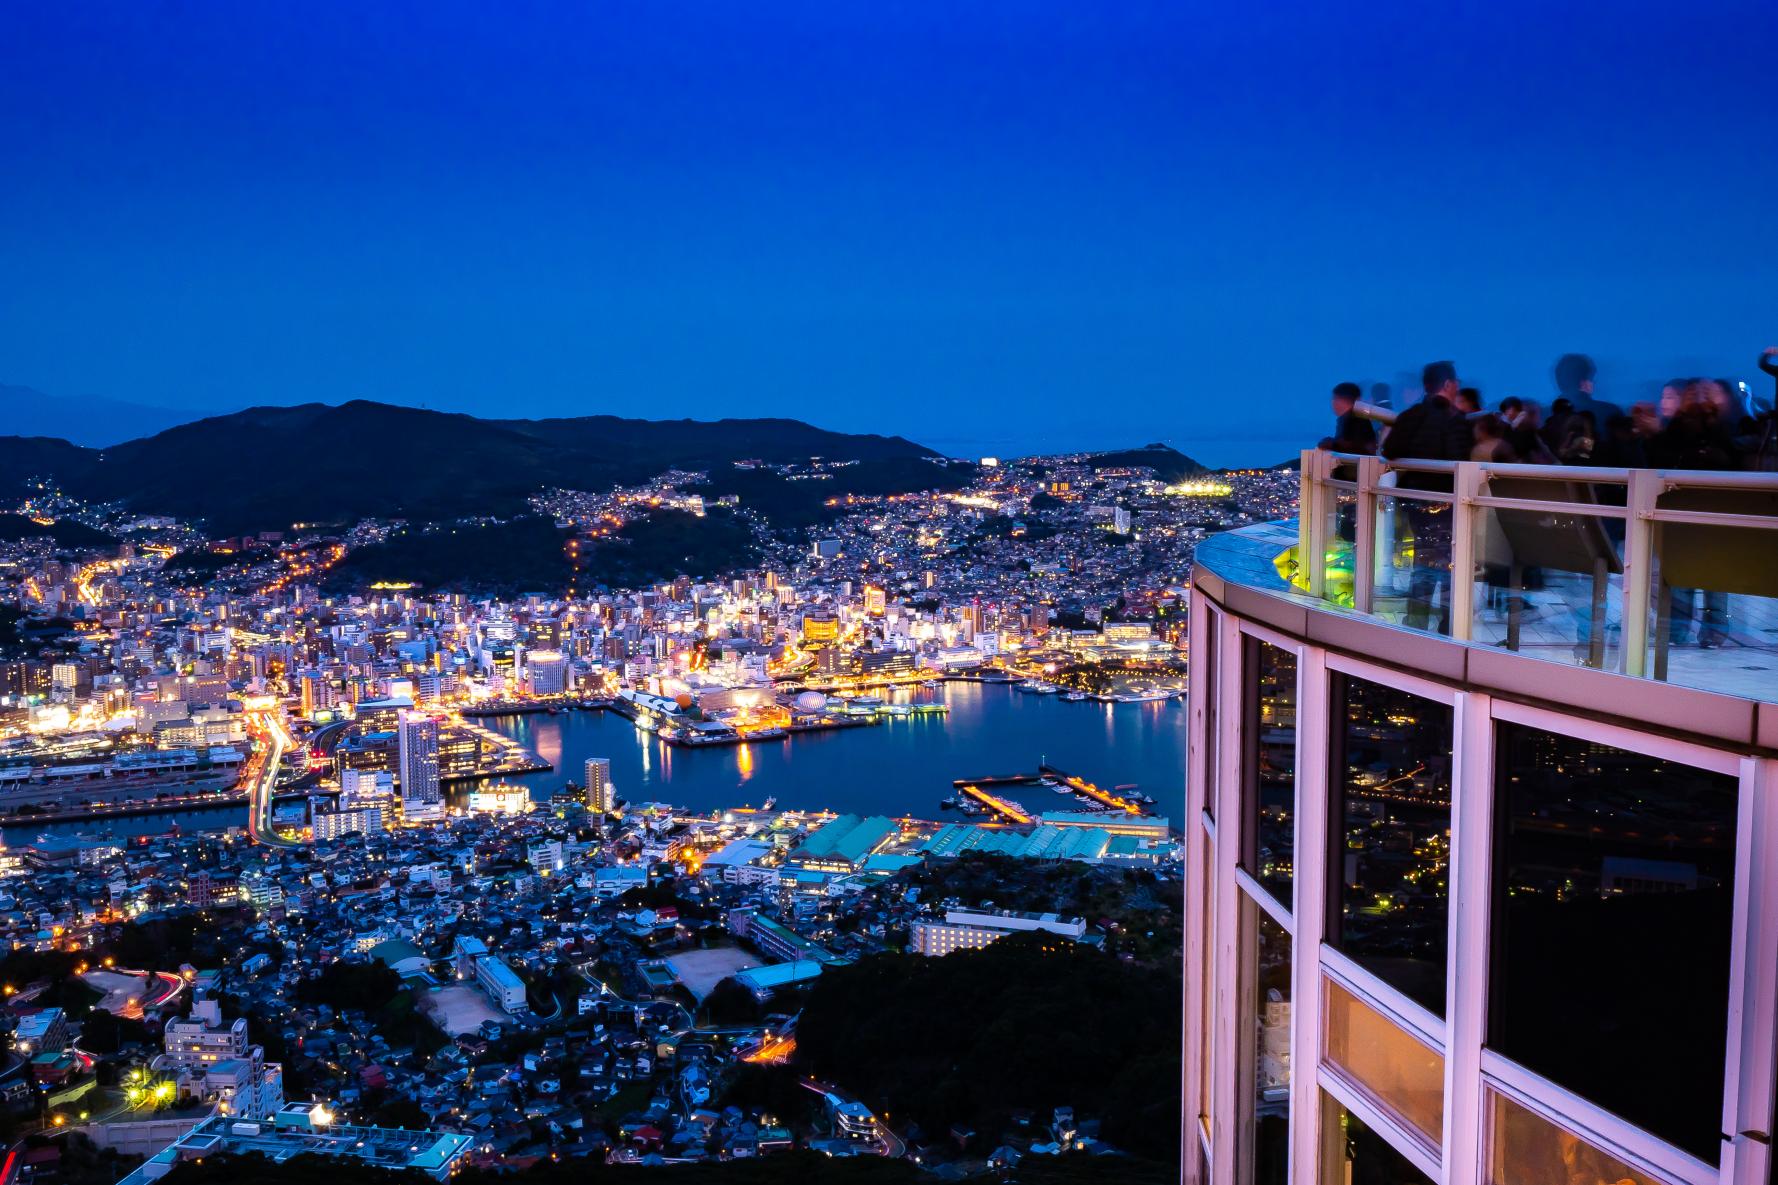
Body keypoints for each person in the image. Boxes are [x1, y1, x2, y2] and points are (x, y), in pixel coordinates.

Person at [1380, 361, 1472, 633]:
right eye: (1455, 382)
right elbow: (1459, 460)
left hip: (1415, 503)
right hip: (1447, 503)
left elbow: (1390, 450)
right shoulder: (1455, 420)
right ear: (1447, 384)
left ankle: (1416, 623)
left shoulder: (1411, 416)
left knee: (1422, 561)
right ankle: (1447, 626)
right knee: (1448, 567)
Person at [1322, 381, 1378, 455]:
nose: (1333, 402)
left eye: (1335, 398)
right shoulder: (1347, 420)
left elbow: (1358, 448)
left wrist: (1333, 444)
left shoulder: (1357, 420)